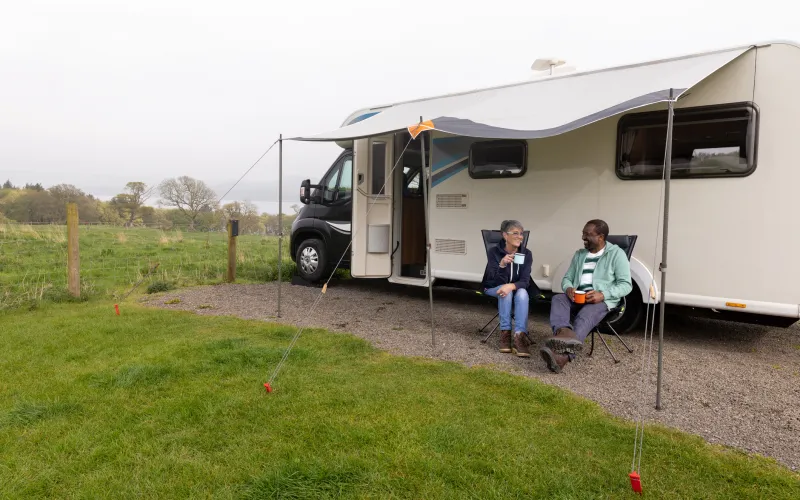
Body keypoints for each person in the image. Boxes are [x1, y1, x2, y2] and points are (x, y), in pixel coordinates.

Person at [539, 219, 632, 373]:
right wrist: (568, 287)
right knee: (558, 299)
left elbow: (626, 285)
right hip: (578, 297)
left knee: (585, 315)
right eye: (583, 233)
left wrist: (603, 294)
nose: (583, 237)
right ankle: (565, 335)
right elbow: (567, 278)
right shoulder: (579, 255)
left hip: (600, 300)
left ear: (601, 237)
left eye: (588, 234)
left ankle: (561, 358)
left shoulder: (617, 254)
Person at [481, 220, 534, 357]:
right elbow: (492, 279)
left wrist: (510, 285)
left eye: (521, 234)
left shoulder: (526, 254)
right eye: (515, 233)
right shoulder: (494, 252)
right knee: (507, 293)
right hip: (493, 287)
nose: (520, 236)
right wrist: (503, 264)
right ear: (505, 235)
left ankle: (519, 337)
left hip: (514, 288)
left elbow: (525, 281)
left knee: (522, 293)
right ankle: (505, 334)